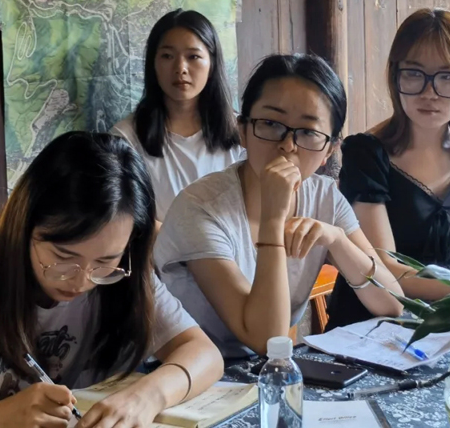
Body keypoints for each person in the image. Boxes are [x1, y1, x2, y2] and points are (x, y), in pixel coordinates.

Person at [154, 54, 403, 358]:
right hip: (187, 372)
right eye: (271, 124)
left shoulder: (325, 198)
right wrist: (274, 218)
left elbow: (392, 303)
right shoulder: (200, 208)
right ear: (242, 130)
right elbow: (265, 340)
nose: (287, 145)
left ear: (329, 150)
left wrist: (337, 240)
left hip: (264, 371)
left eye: (308, 132)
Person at [0, 132, 223, 428]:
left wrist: (147, 396)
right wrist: (0, 416)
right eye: (63, 256)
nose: (81, 281)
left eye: (104, 261)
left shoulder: (121, 274)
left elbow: (204, 353)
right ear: (24, 225)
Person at [325, 8, 450, 330]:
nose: (429, 93)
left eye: (448, 76)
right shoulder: (366, 154)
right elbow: (386, 267)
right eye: (414, 74)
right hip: (373, 318)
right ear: (396, 76)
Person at [112, 9, 243, 223]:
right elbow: (126, 218)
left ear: (212, 63)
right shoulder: (125, 139)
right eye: (167, 56)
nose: (180, 68)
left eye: (193, 56)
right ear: (153, 64)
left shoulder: (243, 133)